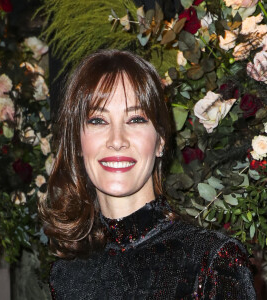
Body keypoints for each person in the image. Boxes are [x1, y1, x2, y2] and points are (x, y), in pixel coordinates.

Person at [39, 49, 256, 299]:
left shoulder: (212, 261)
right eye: (98, 120)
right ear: (77, 142)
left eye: (135, 119)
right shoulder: (66, 275)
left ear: (160, 141)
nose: (117, 140)